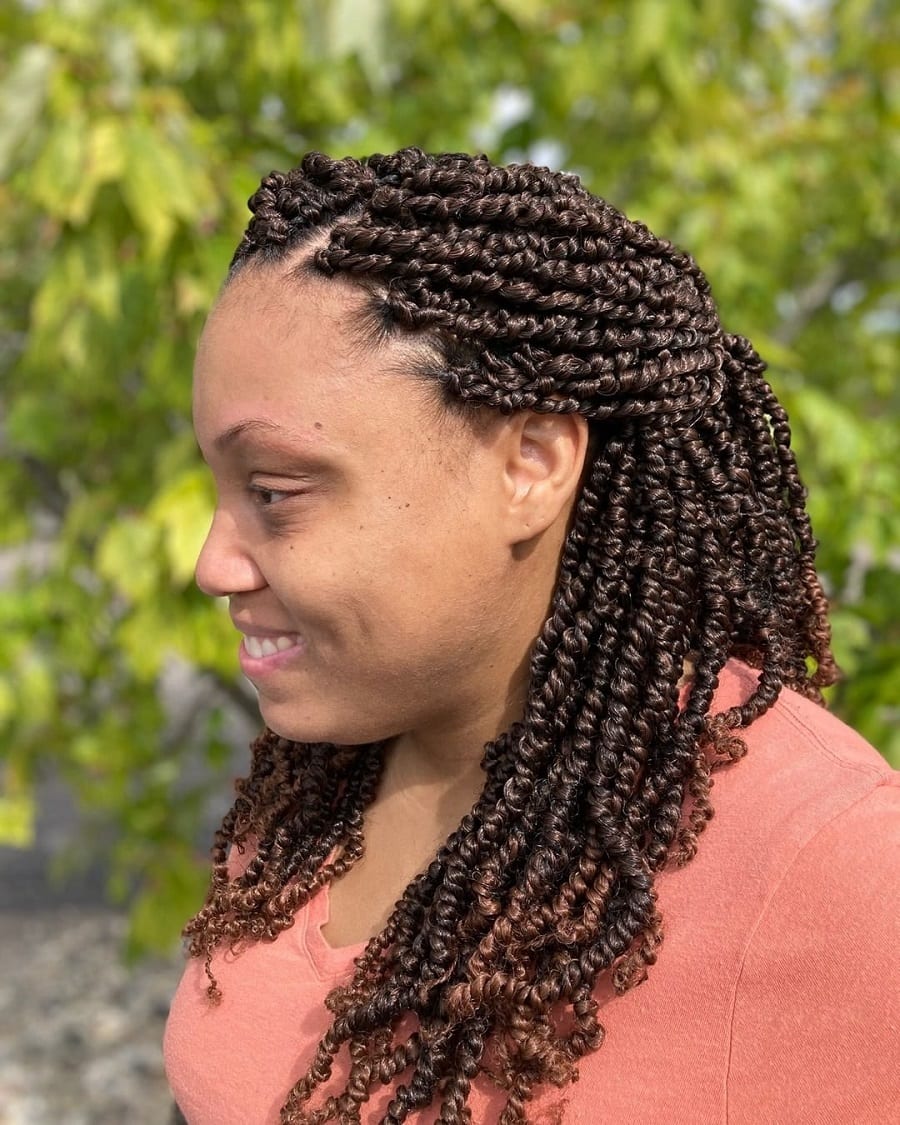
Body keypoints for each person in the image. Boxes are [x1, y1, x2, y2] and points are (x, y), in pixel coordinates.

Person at [163, 148, 899, 1124]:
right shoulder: (328, 769)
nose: (214, 564)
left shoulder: (828, 862)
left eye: (274, 492)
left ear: (533, 463)